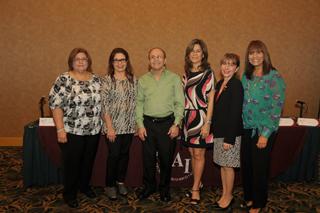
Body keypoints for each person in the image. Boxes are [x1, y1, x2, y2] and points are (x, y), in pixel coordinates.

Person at [48, 48, 102, 208]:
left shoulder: (96, 79)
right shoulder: (63, 79)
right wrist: (60, 129)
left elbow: (103, 104)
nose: (80, 61)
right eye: (77, 59)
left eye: (84, 59)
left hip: (93, 130)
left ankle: (84, 186)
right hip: (72, 131)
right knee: (72, 164)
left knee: (88, 161)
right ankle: (69, 193)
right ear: (71, 61)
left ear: (88, 61)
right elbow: (55, 105)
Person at [241, 40, 285, 213]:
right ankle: (250, 197)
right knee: (247, 165)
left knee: (259, 167)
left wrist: (265, 134)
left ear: (265, 54)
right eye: (251, 53)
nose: (255, 56)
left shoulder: (274, 77)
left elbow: (276, 107)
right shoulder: (246, 76)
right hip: (246, 128)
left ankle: (259, 202)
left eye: (259, 52)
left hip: (263, 130)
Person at [136, 47, 184, 202]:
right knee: (148, 159)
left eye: (159, 57)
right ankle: (149, 187)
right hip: (148, 124)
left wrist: (177, 124)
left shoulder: (174, 78)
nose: (156, 59)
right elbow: (139, 103)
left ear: (165, 60)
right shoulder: (143, 80)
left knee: (166, 159)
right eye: (152, 57)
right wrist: (140, 125)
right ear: (149, 60)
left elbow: (179, 103)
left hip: (167, 124)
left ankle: (164, 189)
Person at [101, 48, 137, 200]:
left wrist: (136, 124)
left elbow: (136, 103)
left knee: (124, 155)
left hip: (128, 126)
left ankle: (120, 181)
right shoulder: (107, 80)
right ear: (112, 62)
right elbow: (104, 106)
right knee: (114, 155)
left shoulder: (133, 79)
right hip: (112, 127)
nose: (120, 63)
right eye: (116, 60)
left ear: (127, 61)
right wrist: (109, 127)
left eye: (123, 60)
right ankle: (109, 185)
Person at [182, 39, 214, 205]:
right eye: (192, 51)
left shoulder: (209, 73)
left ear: (203, 54)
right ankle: (198, 182)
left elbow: (211, 99)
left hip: (202, 117)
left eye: (198, 50)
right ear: (188, 54)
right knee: (193, 153)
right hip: (188, 118)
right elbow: (183, 98)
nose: (195, 53)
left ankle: (195, 189)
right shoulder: (185, 74)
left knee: (199, 154)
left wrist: (208, 123)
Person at [211, 53, 243, 210]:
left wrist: (229, 139)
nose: (227, 67)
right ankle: (225, 194)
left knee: (228, 166)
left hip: (230, 135)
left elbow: (235, 113)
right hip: (219, 133)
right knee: (223, 165)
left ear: (236, 68)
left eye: (231, 64)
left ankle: (229, 196)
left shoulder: (236, 85)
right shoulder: (220, 84)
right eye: (224, 63)